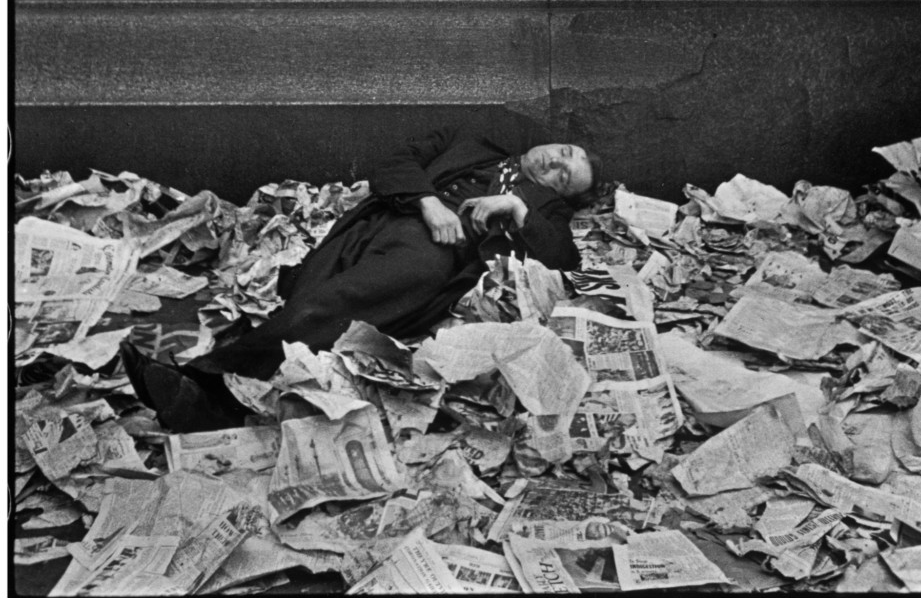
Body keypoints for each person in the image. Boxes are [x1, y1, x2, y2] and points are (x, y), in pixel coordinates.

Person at [120, 130, 599, 431]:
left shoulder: (542, 207)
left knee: (328, 306)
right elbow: (394, 163)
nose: (554, 165)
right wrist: (428, 202)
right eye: (563, 153)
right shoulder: (473, 141)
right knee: (309, 312)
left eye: (562, 177)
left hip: (430, 255)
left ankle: (204, 384)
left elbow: (561, 255)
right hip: (374, 226)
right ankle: (222, 408)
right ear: (552, 141)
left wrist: (516, 206)